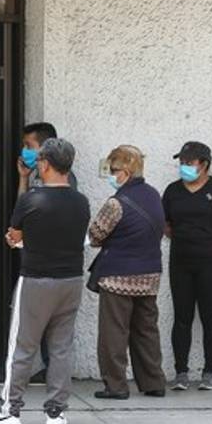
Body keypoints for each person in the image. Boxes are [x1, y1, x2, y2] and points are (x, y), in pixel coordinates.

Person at [0, 138, 91, 424]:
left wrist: (17, 240)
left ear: (44, 164)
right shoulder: (81, 202)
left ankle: (10, 410)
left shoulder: (31, 199)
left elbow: (15, 236)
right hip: (72, 280)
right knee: (61, 348)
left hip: (36, 279)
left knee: (22, 347)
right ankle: (55, 413)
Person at [0, 121, 79, 388]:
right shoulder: (67, 194)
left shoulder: (61, 186)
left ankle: (12, 399)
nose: (24, 151)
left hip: (41, 270)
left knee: (25, 337)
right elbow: (23, 212)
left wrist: (17, 235)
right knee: (60, 341)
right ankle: (56, 405)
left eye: (29, 147)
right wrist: (23, 179)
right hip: (65, 275)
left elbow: (20, 221)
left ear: (45, 152)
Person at [162, 141, 212, 391]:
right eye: (182, 163)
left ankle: (210, 372)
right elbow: (165, 224)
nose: (184, 167)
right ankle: (181, 373)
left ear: (205, 165)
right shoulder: (173, 191)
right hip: (181, 261)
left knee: (210, 316)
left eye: (190, 163)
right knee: (182, 317)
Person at [89, 146, 168, 400]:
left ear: (126, 171)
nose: (111, 175)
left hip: (117, 277)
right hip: (149, 275)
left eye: (113, 170)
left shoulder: (116, 203)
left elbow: (95, 235)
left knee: (114, 332)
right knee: (146, 330)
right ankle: (154, 381)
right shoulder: (154, 195)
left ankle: (116, 385)